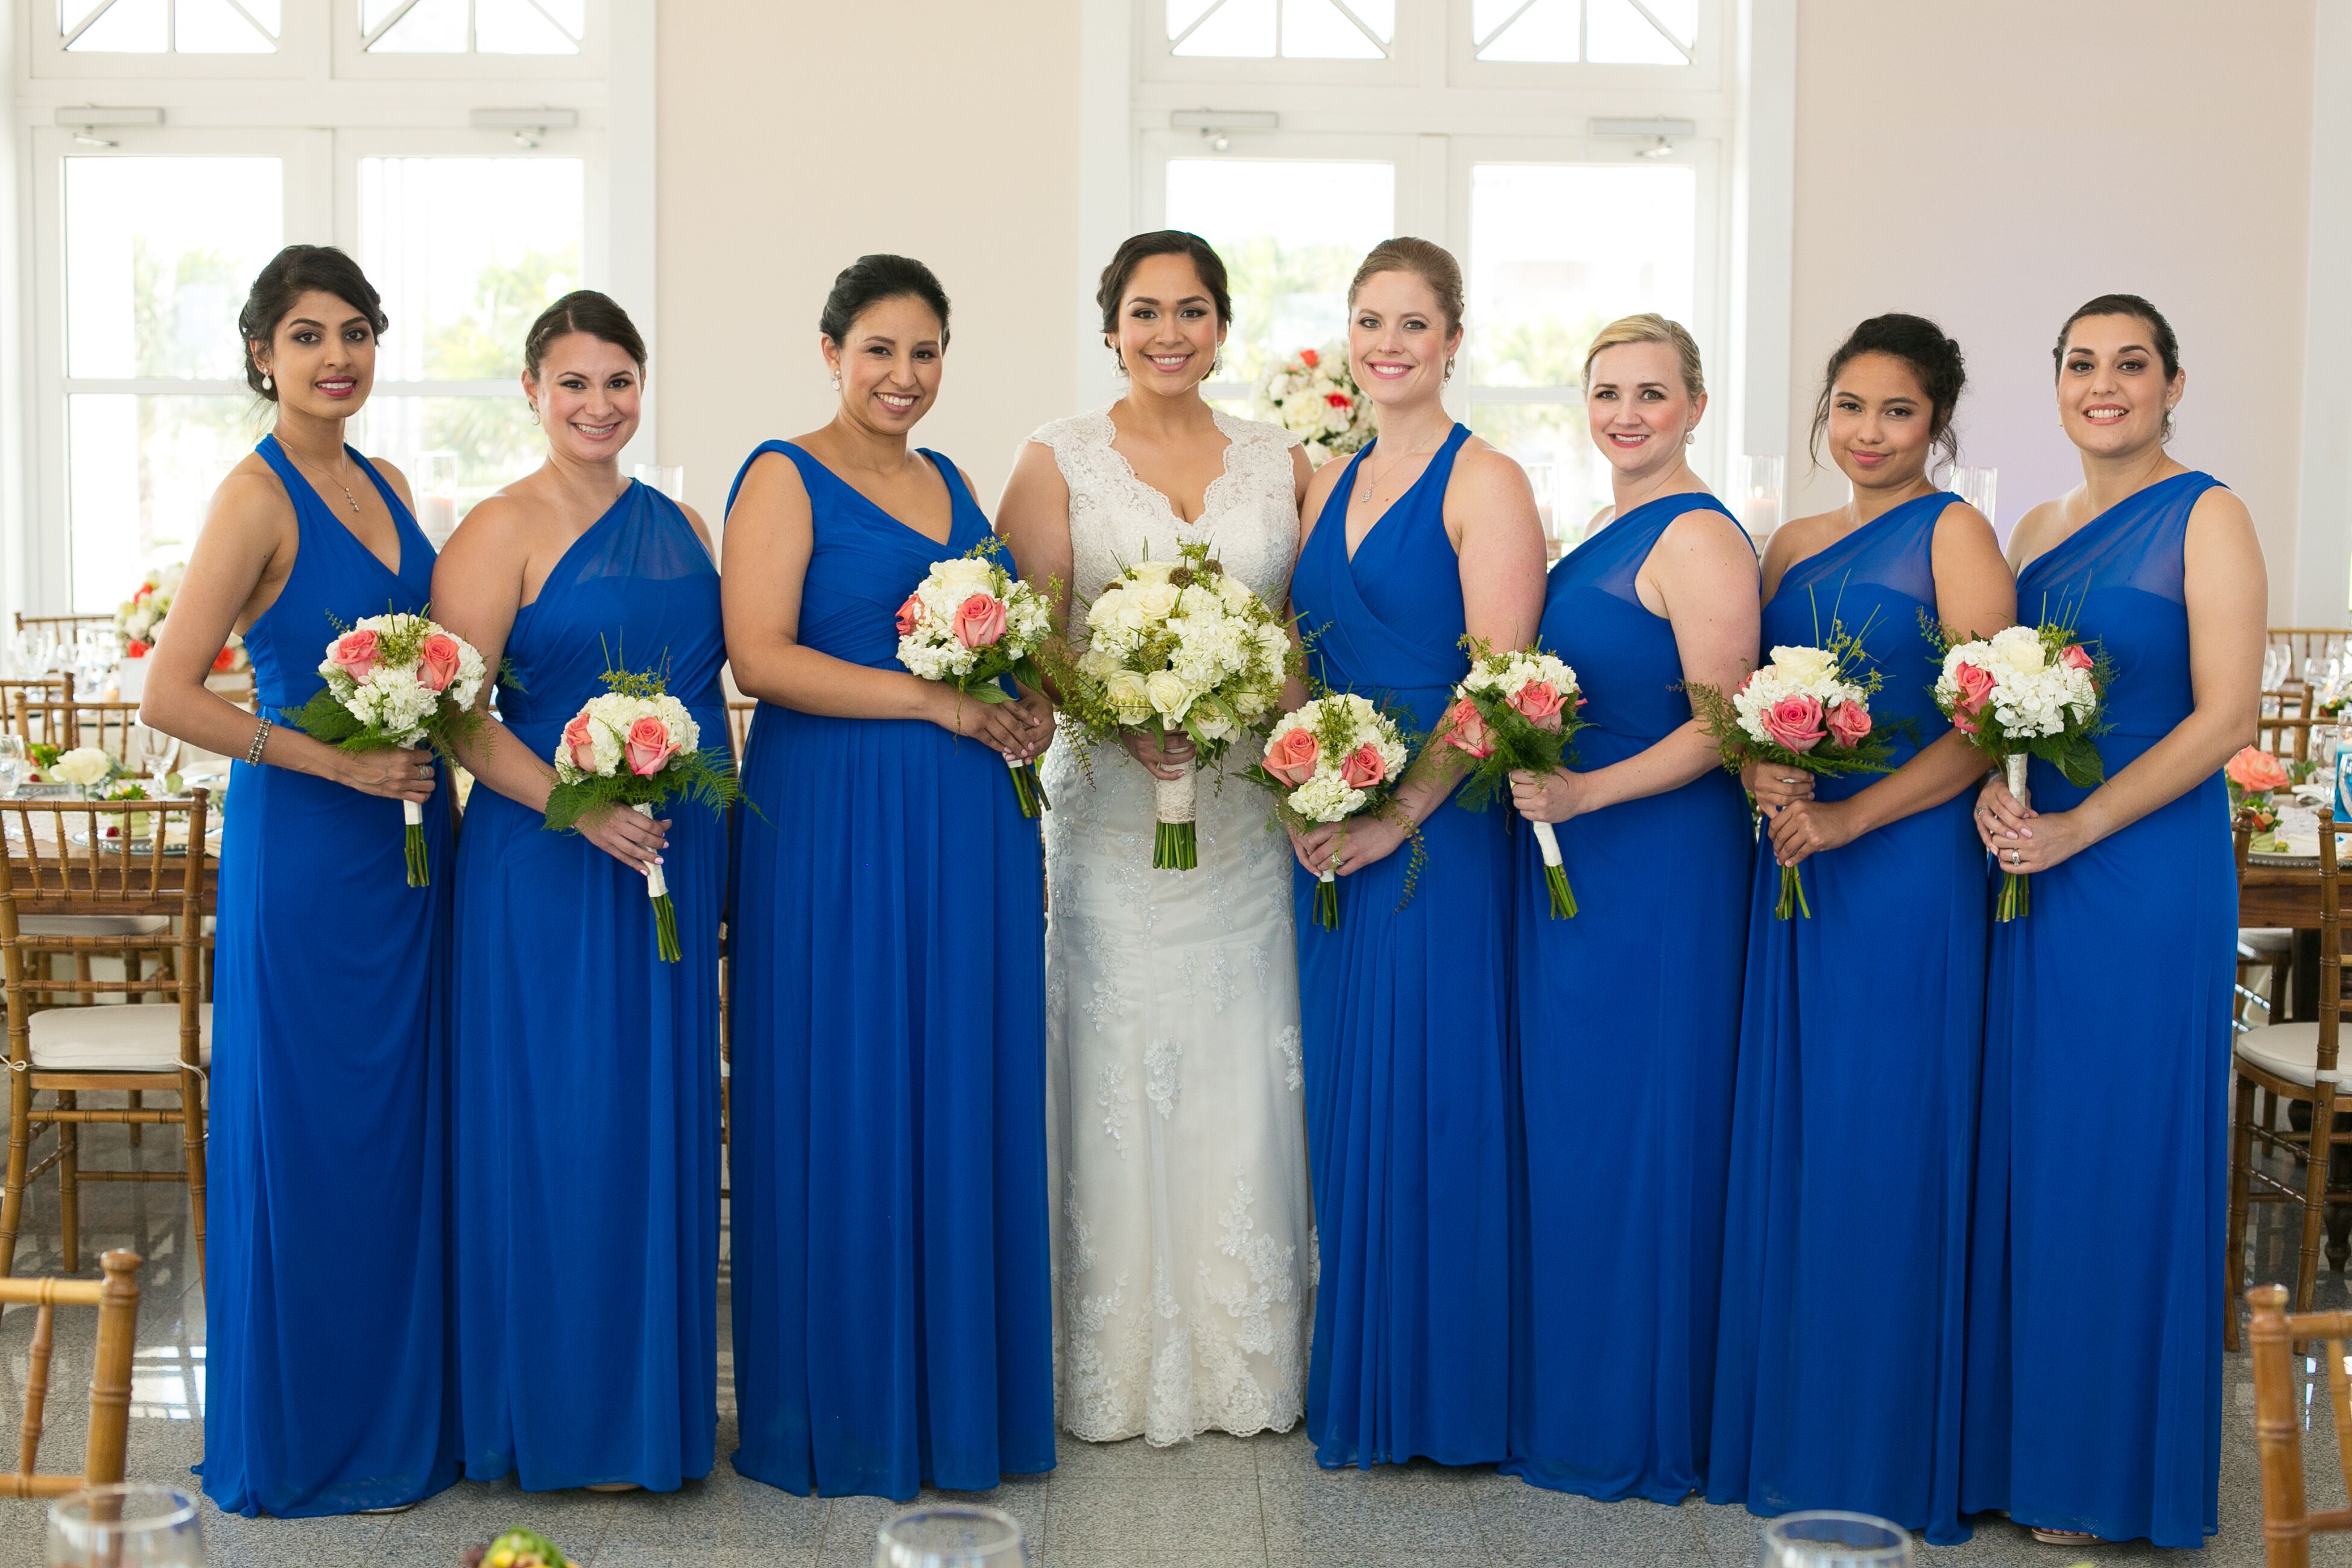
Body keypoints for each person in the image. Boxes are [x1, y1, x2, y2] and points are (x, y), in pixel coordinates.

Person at [722, 255, 1057, 1499]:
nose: (902, 377)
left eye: (924, 353)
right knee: (849, 1077)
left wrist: (1016, 702)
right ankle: (849, 1408)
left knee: (958, 1079)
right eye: (878, 350)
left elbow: (1002, 636)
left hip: (966, 822)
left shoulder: (954, 482)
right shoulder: (781, 471)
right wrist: (936, 703)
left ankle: (963, 1403)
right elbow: (760, 658)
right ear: (829, 352)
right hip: (836, 821)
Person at [136, 244, 456, 1515]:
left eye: (358, 332)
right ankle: (306, 1431)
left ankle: (398, 1422)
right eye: (309, 336)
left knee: (395, 1139)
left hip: (410, 852)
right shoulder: (254, 497)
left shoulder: (386, 477)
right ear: (262, 353)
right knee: (314, 1138)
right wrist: (334, 763)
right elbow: (166, 690)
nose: (338, 358)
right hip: (310, 853)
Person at [997, 230, 1314, 1446]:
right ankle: (1110, 1360)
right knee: (1114, 1054)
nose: (1168, 332)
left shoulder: (1283, 459)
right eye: (1145, 310)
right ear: (1111, 325)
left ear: (1222, 327)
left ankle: (1248, 1353)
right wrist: (1121, 716)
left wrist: (1285, 749)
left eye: (1192, 310)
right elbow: (1036, 631)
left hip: (1239, 814)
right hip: (1113, 813)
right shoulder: (1057, 457)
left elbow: (1296, 633)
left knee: (1243, 1057)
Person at [1706, 315, 2012, 1544]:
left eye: (1896, 411)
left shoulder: (1956, 533)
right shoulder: (1786, 541)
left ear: (1936, 423)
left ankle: (1885, 1438)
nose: (1869, 432)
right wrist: (1765, 780)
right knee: (1806, 1135)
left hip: (1902, 869)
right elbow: (1749, 700)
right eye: (1849, 406)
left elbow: (1990, 719)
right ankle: (1798, 1420)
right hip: (1796, 864)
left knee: (1886, 1136)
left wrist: (1853, 818)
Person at [1965, 295, 2262, 1549]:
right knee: (2044, 1151)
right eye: (2082, 364)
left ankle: (2112, 1475)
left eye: (2130, 365)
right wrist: (1996, 775)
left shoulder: (2211, 515)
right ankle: (2031, 1449)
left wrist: (2087, 828)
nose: (2105, 385)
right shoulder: (2034, 528)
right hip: (2035, 864)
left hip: (2144, 873)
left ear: (2174, 384)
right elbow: (2002, 699)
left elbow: (2227, 719)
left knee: (2123, 1150)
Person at [434, 291, 722, 1492]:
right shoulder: (497, 530)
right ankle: (553, 1418)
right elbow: (455, 713)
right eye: (575, 384)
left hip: (670, 846)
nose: (600, 405)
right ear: (533, 393)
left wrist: (717, 865)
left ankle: (648, 1416)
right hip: (545, 867)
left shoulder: (686, 522)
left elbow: (711, 698)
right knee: (560, 1131)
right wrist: (580, 801)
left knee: (656, 1128)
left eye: (619, 381)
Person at [1284, 236, 1545, 1469]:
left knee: (1436, 1098)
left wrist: (1398, 815)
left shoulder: (1483, 478)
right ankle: (1368, 1374)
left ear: (1453, 340)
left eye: (1413, 324)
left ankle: (1443, 1398)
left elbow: (1494, 683)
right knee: (1349, 1105)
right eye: (1370, 322)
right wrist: (1300, 772)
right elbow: (1300, 651)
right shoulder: (1324, 480)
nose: (1389, 344)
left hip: (1435, 837)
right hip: (1327, 825)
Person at [1500, 314, 1759, 1502]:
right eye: (1607, 392)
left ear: (1696, 404)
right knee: (1583, 1126)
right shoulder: (1604, 527)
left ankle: (1643, 1416)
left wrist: (1587, 786)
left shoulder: (1699, 535)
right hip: (1581, 866)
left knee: (1647, 1122)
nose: (1626, 413)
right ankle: (1576, 1391)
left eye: (1652, 392)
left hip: (1657, 866)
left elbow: (1723, 722)